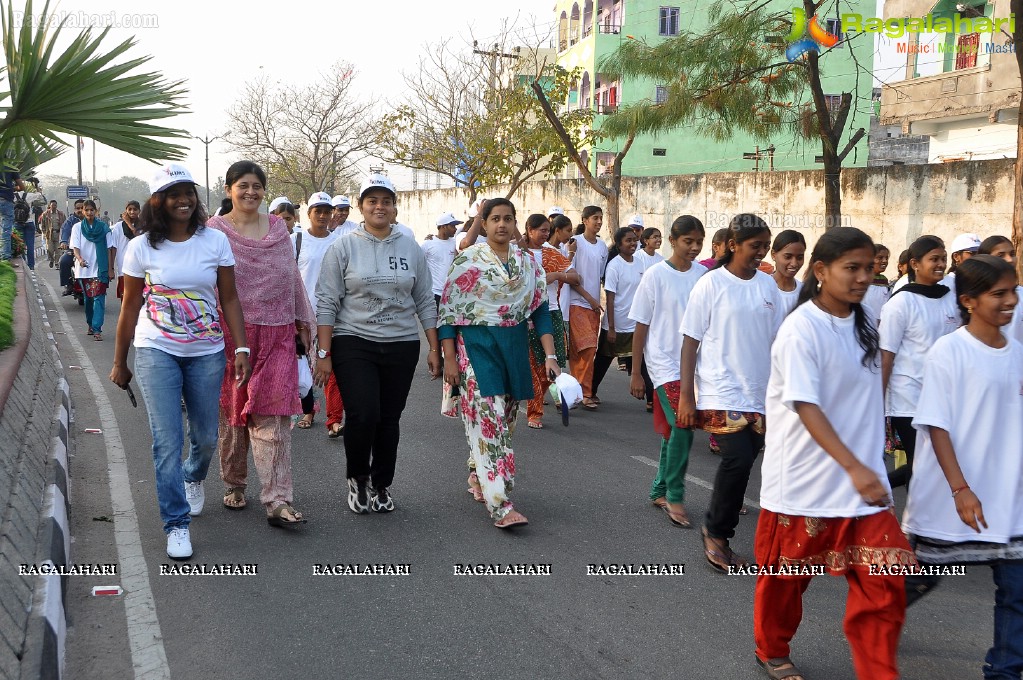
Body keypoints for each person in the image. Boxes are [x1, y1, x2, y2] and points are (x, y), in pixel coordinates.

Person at [754, 227, 916, 680]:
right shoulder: (800, 329)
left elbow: (869, 391)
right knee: (785, 584)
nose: (864, 277)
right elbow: (807, 405)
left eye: (869, 267)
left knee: (884, 584)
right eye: (853, 268)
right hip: (805, 484)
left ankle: (879, 673)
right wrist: (853, 466)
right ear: (821, 272)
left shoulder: (864, 321)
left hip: (862, 490)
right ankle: (771, 647)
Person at [109, 164, 251, 560]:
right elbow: (130, 306)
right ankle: (176, 524)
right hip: (156, 350)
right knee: (166, 441)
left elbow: (230, 299)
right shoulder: (140, 248)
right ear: (158, 201)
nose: (183, 200)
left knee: (205, 436)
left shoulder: (214, 242)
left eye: (188, 192)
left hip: (206, 351)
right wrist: (121, 361)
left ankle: (193, 476)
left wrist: (241, 348)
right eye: (173, 194)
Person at [901, 254, 1023, 679]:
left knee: (1017, 592)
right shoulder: (949, 351)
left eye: (1013, 292)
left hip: (1009, 498)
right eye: (999, 294)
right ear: (969, 300)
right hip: (952, 495)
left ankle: (1003, 673)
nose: (1010, 301)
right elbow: (936, 424)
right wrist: (960, 488)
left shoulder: (1019, 353)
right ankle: (872, 621)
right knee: (919, 578)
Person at [313, 174, 440, 515]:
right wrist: (323, 353)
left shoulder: (410, 247)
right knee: (363, 413)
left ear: (395, 207)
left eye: (386, 201)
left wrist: (434, 348)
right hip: (353, 340)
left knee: (388, 418)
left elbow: (425, 300)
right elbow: (327, 301)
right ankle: (357, 477)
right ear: (361, 207)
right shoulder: (343, 246)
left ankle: (382, 484)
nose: (379, 207)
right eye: (372, 201)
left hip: (401, 343)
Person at [207, 161, 315, 528]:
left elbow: (291, 276)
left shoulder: (279, 229)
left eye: (257, 186)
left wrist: (302, 319)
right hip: (232, 335)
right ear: (228, 189)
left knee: (274, 418)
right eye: (242, 185)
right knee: (234, 414)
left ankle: (277, 498)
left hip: (279, 332)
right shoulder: (215, 231)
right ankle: (235, 482)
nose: (250, 192)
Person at [439, 198, 559, 529]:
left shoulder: (528, 264)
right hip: (476, 348)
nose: (502, 224)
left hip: (514, 348)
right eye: (495, 219)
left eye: (508, 218)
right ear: (485, 223)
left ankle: (478, 473)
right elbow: (449, 313)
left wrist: (551, 356)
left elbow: (540, 310)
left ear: (515, 223)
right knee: (489, 419)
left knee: (505, 419)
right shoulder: (468, 261)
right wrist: (450, 359)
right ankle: (500, 502)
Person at [678, 214, 784, 572]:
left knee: (748, 459)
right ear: (734, 244)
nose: (761, 253)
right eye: (756, 246)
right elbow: (690, 342)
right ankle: (716, 531)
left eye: (765, 247)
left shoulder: (768, 286)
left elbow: (778, 341)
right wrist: (687, 396)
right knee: (736, 458)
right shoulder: (711, 284)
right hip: (721, 389)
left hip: (759, 392)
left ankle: (720, 529)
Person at [629, 216, 707, 527]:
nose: (694, 247)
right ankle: (675, 495)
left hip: (695, 364)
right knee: (684, 425)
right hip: (662, 363)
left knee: (676, 429)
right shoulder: (655, 275)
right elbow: (641, 325)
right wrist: (636, 372)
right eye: (688, 241)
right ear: (673, 240)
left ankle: (660, 488)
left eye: (698, 241)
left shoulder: (704, 276)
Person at [880, 235, 960, 490]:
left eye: (943, 259)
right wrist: (877, 403)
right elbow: (886, 355)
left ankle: (875, 489)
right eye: (934, 259)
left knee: (930, 463)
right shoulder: (901, 302)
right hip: (909, 399)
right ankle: (912, 524)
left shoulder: (951, 297)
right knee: (923, 463)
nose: (940, 264)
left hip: (944, 396)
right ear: (915, 263)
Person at [292, 192, 341, 434]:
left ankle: (334, 418)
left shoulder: (340, 242)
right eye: (317, 211)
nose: (322, 215)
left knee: (331, 363)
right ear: (309, 214)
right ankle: (308, 409)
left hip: (333, 314)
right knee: (304, 364)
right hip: (302, 315)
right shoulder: (296, 240)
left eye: (326, 211)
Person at [522, 214, 578, 429]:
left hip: (551, 312)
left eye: (548, 230)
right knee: (534, 364)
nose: (545, 234)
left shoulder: (552, 254)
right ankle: (534, 411)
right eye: (542, 230)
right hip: (526, 313)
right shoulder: (519, 253)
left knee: (552, 363)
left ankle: (541, 400)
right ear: (529, 229)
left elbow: (575, 277)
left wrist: (556, 275)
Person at [591, 227, 642, 400]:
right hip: (615, 324)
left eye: (634, 239)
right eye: (628, 240)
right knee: (603, 361)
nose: (633, 243)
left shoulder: (640, 263)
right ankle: (589, 391)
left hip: (634, 324)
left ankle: (651, 398)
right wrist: (611, 328)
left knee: (641, 363)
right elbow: (610, 299)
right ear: (619, 245)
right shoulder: (614, 266)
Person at [567, 205, 607, 410]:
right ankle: (584, 393)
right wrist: (590, 299)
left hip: (593, 306)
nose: (599, 222)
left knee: (589, 350)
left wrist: (595, 301)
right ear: (584, 220)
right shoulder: (575, 243)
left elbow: (600, 277)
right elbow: (571, 277)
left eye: (601, 218)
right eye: (595, 218)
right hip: (577, 303)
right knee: (584, 348)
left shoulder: (602, 247)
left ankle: (577, 392)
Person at [70, 200, 115, 340]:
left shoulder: (103, 227)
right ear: (83, 211)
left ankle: (97, 329)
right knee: (88, 299)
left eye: (92, 210)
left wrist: (110, 268)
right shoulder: (77, 228)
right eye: (87, 210)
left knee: (99, 298)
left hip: (99, 269)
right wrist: (80, 259)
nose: (89, 213)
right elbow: (75, 247)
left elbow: (109, 249)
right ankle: (90, 323)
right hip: (84, 270)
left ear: (96, 211)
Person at [979, 235, 1023, 344]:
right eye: (1001, 255)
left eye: (1012, 254)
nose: (1009, 260)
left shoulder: (1021, 293)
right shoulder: (976, 296)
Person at [422, 212, 462, 308]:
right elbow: (418, 264)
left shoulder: (454, 242)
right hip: (434, 293)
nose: (455, 229)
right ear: (443, 227)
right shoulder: (428, 244)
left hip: (451, 293)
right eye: (452, 226)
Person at [770, 229, 806, 315]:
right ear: (773, 255)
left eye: (800, 258)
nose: (794, 263)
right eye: (788, 257)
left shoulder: (805, 293)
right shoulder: (762, 288)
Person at [110, 201, 141, 299]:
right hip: (124, 266)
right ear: (126, 211)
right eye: (130, 209)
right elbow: (113, 248)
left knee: (139, 298)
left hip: (140, 266)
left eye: (135, 209)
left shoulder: (143, 225)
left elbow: (138, 238)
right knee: (125, 298)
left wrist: (129, 223)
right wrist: (111, 268)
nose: (132, 212)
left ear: (139, 211)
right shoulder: (118, 227)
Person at [59, 200, 85, 296]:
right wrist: (64, 242)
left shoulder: (92, 220)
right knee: (63, 261)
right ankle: (68, 285)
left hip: (88, 251)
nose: (80, 210)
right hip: (73, 250)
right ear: (74, 209)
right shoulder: (70, 221)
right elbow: (65, 231)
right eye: (78, 208)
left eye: (82, 208)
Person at [862, 242, 892, 325]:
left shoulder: (884, 281)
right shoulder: (862, 279)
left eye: (886, 258)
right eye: (880, 258)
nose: (885, 261)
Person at [0, 169, 22, 262]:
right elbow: (21, 187)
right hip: (6, 200)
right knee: (6, 230)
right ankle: (5, 258)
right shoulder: (10, 168)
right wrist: (10, 188)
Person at [40, 200, 66, 269]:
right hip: (49, 235)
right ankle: (52, 259)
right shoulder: (45, 214)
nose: (54, 207)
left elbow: (65, 224)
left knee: (58, 251)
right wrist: (45, 233)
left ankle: (57, 263)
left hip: (58, 234)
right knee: (49, 250)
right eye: (52, 205)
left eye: (55, 205)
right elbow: (42, 225)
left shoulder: (61, 214)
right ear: (50, 206)